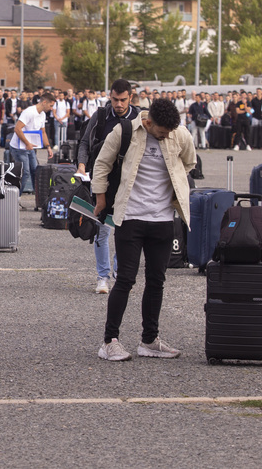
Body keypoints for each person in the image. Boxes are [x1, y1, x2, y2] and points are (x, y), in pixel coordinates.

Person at [92, 98, 196, 362]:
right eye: (161, 133)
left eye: (170, 133)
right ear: (149, 123)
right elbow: (102, 164)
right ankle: (109, 341)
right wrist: (101, 198)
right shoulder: (125, 131)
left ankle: (149, 340)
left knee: (157, 280)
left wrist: (174, 184)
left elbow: (189, 162)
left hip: (162, 219)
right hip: (131, 217)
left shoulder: (179, 135)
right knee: (125, 279)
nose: (166, 137)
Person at [76, 79, 139, 294]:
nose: (119, 104)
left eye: (123, 100)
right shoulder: (101, 116)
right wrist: (82, 163)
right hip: (102, 180)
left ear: (131, 98)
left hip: (130, 183)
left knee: (126, 230)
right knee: (102, 230)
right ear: (109, 97)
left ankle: (120, 273)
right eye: (115, 99)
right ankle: (102, 277)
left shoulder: (139, 118)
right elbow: (85, 142)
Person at [8, 92, 54, 194]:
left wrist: (48, 147)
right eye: (50, 106)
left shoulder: (42, 115)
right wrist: (27, 143)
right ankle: (15, 197)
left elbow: (43, 132)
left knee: (35, 171)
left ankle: (38, 198)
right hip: (18, 147)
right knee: (25, 172)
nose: (51, 108)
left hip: (29, 147)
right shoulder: (29, 112)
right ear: (44, 102)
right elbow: (17, 129)